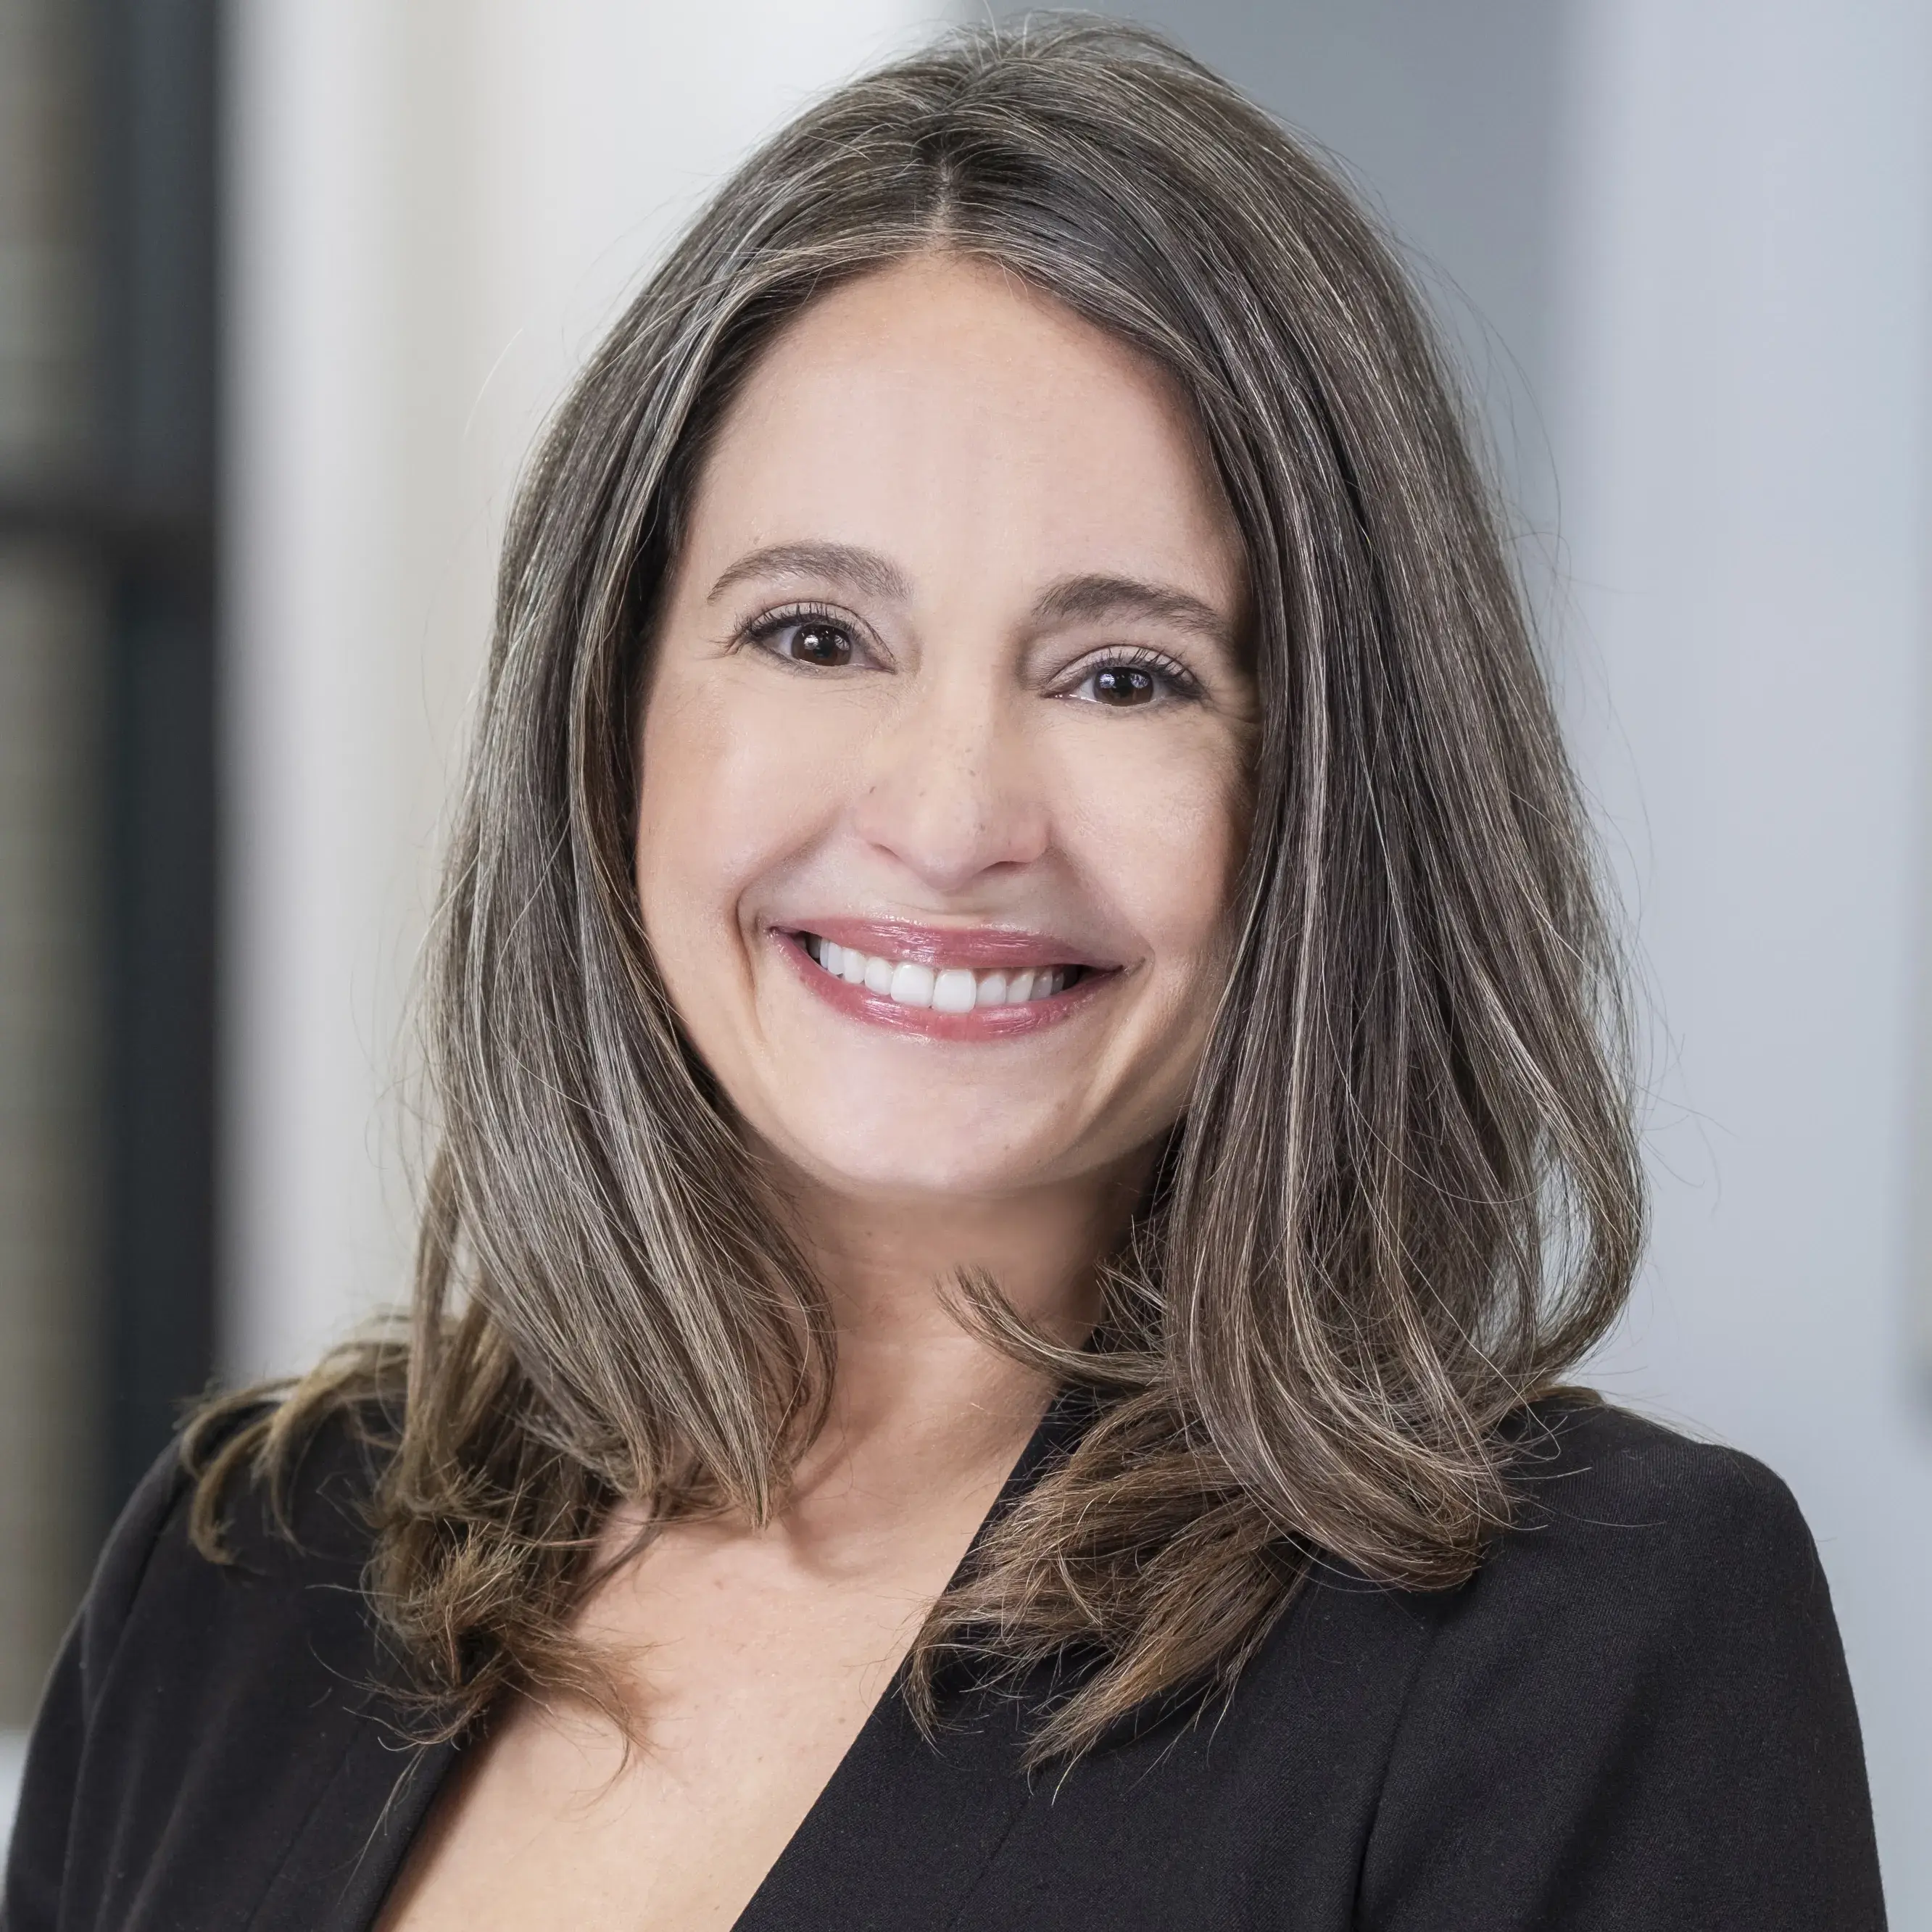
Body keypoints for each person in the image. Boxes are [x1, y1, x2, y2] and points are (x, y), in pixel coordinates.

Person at [2, 19, 1886, 1931]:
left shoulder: (1586, 1652)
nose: (952, 811)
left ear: (1326, 785)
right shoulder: (253, 1559)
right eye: (815, 634)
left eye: (1126, 672)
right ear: (614, 705)